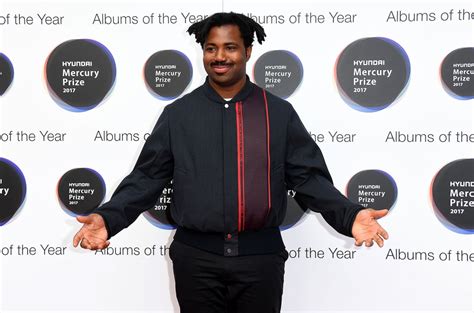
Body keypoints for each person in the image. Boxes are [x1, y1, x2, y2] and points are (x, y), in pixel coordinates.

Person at [73, 12, 389, 313]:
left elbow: (309, 179)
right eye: (211, 48)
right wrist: (108, 218)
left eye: (230, 47)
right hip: (195, 260)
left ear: (248, 51)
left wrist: (350, 217)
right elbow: (147, 178)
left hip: (260, 259)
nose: (219, 56)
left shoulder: (278, 113)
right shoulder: (179, 115)